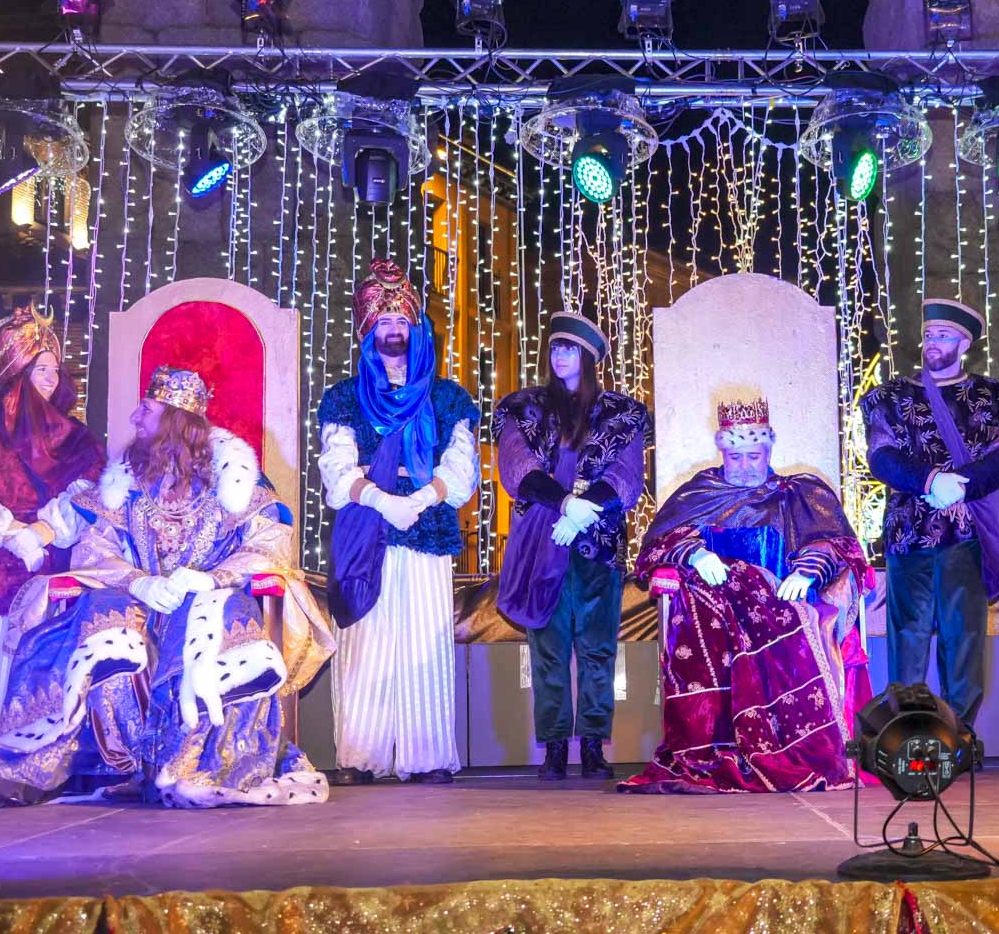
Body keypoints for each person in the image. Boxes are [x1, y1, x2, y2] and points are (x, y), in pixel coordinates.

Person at [0, 366, 333, 808]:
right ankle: (88, 761)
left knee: (220, 615)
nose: (134, 418)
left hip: (210, 598)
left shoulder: (235, 481)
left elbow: (270, 544)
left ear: (172, 417)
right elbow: (94, 548)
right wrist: (139, 582)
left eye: (145, 410)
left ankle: (197, 761)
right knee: (102, 613)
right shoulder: (126, 483)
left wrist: (211, 578)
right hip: (141, 604)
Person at [619, 398, 873, 793]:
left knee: (796, 626)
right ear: (722, 453)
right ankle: (713, 745)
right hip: (714, 602)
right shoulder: (700, 491)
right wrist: (693, 553)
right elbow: (658, 543)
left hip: (783, 596)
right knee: (702, 624)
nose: (744, 465)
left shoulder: (797, 492)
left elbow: (836, 544)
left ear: (768, 451)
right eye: (735, 457)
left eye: (753, 456)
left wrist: (807, 571)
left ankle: (795, 747)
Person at [318, 259, 479, 784]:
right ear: (368, 330)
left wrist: (424, 497)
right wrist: (382, 500)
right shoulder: (344, 397)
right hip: (368, 529)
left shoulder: (448, 397)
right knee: (367, 642)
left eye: (401, 320)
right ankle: (360, 757)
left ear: (415, 327)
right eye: (383, 321)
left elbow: (461, 470)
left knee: (424, 642)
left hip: (427, 527)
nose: (393, 329)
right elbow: (337, 470)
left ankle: (427, 757)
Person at [0, 305, 104, 773]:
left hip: (52, 576)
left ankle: (36, 769)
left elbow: (86, 495)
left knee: (46, 674)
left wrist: (44, 532)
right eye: (40, 368)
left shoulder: (78, 441)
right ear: (16, 373)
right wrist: (14, 536)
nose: (51, 378)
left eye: (54, 369)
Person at [492, 312, 650, 782]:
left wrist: (585, 511)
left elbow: (626, 476)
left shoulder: (622, 414)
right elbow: (517, 468)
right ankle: (556, 746)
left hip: (597, 544)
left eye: (570, 349)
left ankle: (594, 746)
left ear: (589, 357)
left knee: (598, 649)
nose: (560, 356)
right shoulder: (523, 408)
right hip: (542, 542)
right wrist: (564, 505)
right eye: (555, 347)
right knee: (549, 650)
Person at [861, 298, 999, 727]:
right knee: (908, 634)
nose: (932, 341)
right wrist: (930, 480)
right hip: (908, 532)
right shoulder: (891, 397)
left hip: (967, 534)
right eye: (929, 334)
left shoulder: (989, 398)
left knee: (964, 636)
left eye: (943, 335)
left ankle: (961, 734)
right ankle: (906, 730)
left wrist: (964, 482)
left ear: (964, 343)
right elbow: (881, 454)